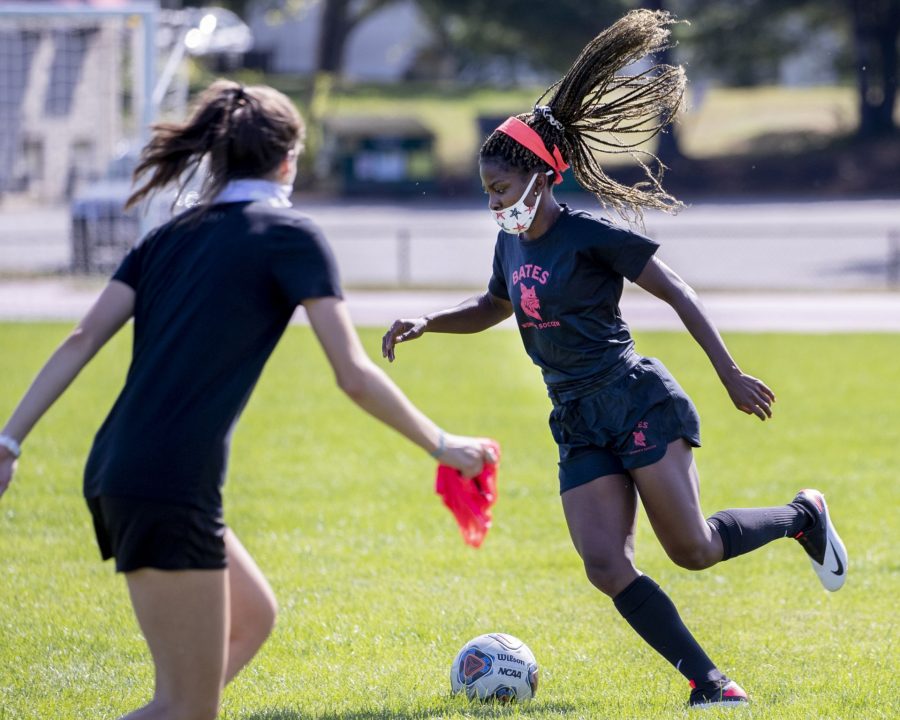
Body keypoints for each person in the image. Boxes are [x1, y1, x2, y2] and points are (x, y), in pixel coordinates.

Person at [382, 10, 847, 709]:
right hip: (575, 416)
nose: (494, 203)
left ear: (540, 178)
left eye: (501, 191)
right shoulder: (511, 241)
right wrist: (428, 321)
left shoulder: (590, 233)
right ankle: (710, 682)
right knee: (605, 564)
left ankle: (802, 516)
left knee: (692, 550)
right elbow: (494, 306)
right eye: (487, 193)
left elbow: (679, 290)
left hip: (633, 400)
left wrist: (727, 374)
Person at [0, 79, 495, 720]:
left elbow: (80, 337)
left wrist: (9, 441)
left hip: (119, 466)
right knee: (184, 709)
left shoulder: (171, 234)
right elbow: (352, 373)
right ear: (287, 159)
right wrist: (443, 444)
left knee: (253, 618)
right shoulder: (290, 234)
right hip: (170, 479)